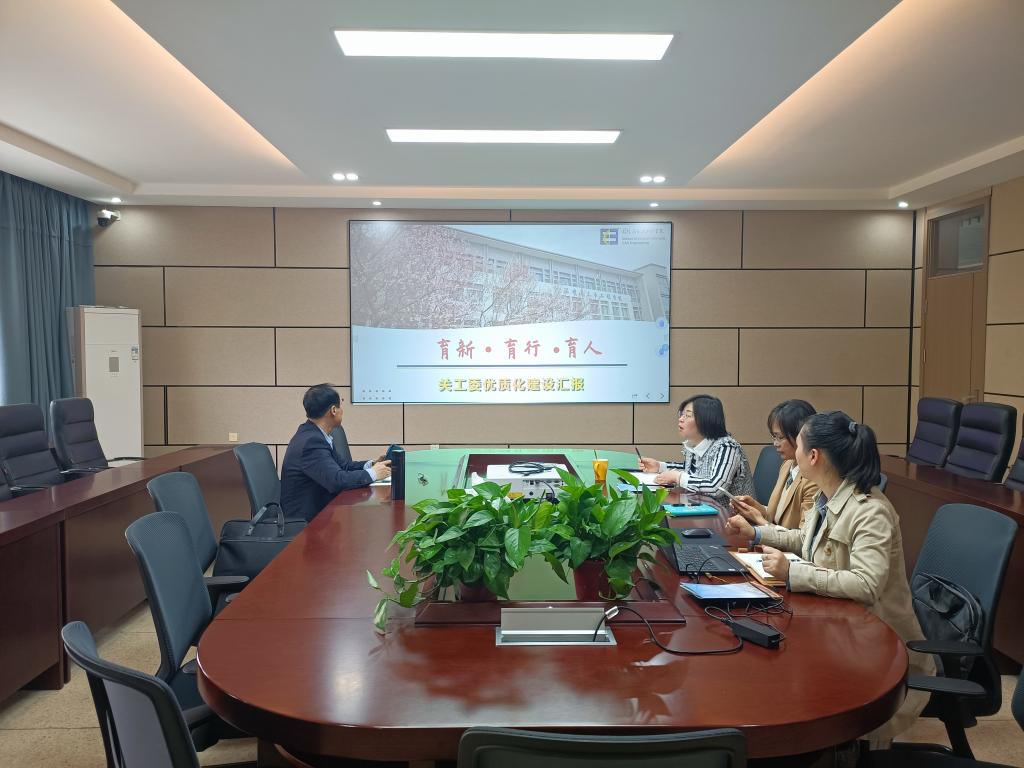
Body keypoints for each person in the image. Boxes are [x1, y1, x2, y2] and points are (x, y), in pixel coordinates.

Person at [725, 411, 935, 744]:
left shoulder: (870, 511)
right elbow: (804, 539)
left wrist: (793, 572)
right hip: (838, 627)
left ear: (813, 456)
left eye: (798, 445)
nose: (791, 452)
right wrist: (757, 533)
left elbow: (866, 585)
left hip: (875, 646)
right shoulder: (829, 495)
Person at [281, 384, 391, 522]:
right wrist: (373, 473)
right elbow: (337, 481)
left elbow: (343, 466)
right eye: (340, 405)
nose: (341, 410)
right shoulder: (312, 442)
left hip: (321, 513)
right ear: (333, 410)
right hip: (305, 524)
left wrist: (372, 464)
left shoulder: (314, 434)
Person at [638, 394, 754, 499]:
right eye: (681, 414)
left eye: (688, 415)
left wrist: (678, 477)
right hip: (703, 509)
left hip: (732, 513)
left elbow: (716, 488)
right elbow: (692, 471)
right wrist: (660, 466)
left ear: (706, 419)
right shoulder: (695, 443)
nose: (681, 419)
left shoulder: (726, 447)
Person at [730, 399, 818, 529]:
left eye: (780, 437)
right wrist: (754, 507)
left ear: (801, 436)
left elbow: (803, 537)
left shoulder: (813, 479)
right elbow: (777, 517)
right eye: (774, 437)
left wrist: (759, 521)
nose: (775, 443)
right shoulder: (787, 465)